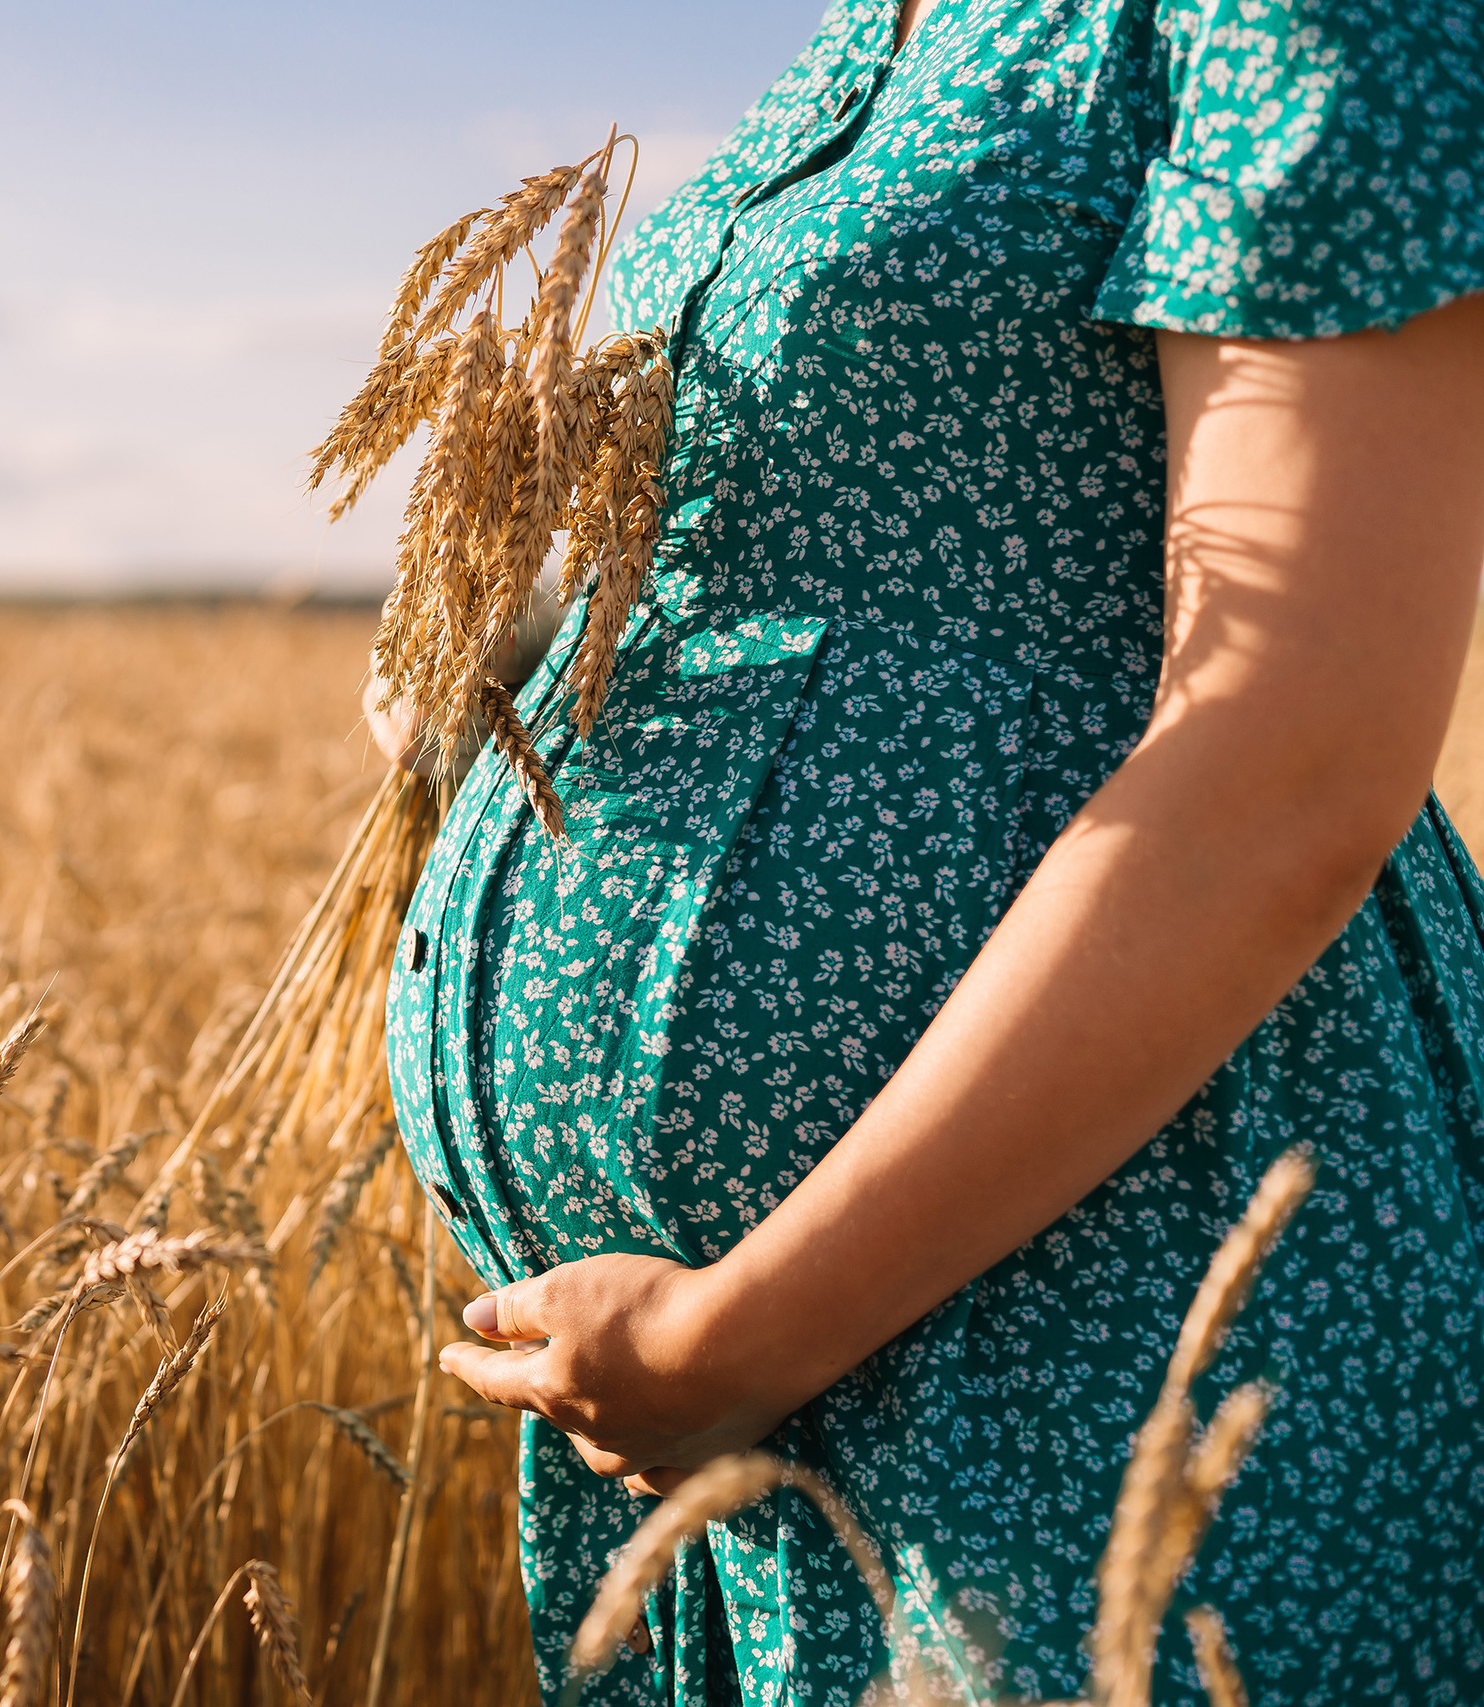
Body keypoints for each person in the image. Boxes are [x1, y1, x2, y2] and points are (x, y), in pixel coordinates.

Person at [367, 0, 1484, 1699]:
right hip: (732, 1419)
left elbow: (1293, 745)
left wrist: (731, 1338)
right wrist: (525, 639)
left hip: (1098, 1318)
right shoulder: (883, 29)